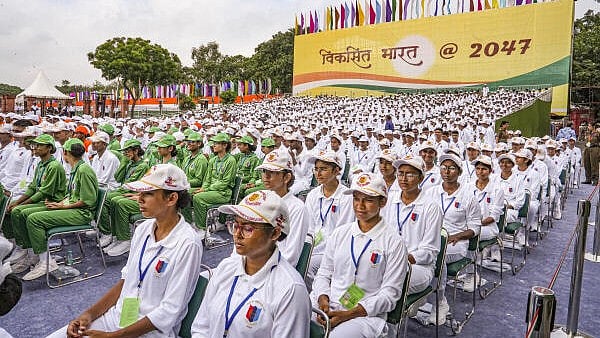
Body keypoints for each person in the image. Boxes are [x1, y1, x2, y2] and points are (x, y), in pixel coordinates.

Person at [48, 164, 203, 338]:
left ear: (171, 198)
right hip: (118, 317)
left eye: (148, 194)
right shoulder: (143, 229)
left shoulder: (188, 243)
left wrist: (113, 336)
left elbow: (169, 310)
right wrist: (88, 315)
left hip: (150, 332)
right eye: (140, 193)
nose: (139, 199)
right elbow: (126, 282)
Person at [191, 190, 311, 337]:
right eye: (235, 225)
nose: (237, 234)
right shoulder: (225, 268)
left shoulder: (290, 289)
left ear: (275, 233)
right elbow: (201, 327)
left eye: (248, 229)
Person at [312, 172, 408, 338]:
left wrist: (349, 314)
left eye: (368, 200)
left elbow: (390, 294)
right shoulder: (340, 233)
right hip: (329, 303)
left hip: (365, 315)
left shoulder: (393, 242)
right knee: (292, 318)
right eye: (356, 198)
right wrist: (323, 299)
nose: (360, 205)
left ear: (382, 202)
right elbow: (324, 273)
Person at [21, 138, 98, 281]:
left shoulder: (83, 170)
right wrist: (60, 203)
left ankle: (46, 262)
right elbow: (73, 195)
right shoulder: (77, 168)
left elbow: (88, 200)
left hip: (82, 214)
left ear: (65, 152)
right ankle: (39, 256)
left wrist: (64, 206)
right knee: (27, 214)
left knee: (34, 219)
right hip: (74, 209)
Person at [3, 134, 67, 274]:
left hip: (53, 203)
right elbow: (33, 187)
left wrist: (21, 204)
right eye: (35, 145)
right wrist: (17, 202)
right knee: (14, 210)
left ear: (49, 148)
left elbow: (43, 192)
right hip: (43, 201)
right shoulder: (41, 164)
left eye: (39, 145)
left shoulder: (54, 166)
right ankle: (29, 253)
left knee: (22, 212)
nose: (35, 148)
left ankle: (43, 258)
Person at [429, 153, 481, 325]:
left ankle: (440, 301)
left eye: (451, 168)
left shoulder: (468, 195)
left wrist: (456, 236)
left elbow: (475, 227)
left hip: (457, 244)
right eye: (443, 167)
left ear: (459, 171)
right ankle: (423, 296)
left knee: (438, 256)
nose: (447, 171)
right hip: (432, 239)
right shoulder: (431, 192)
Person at [382, 154, 442, 299]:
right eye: (400, 173)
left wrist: (400, 258)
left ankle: (380, 319)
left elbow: (430, 251)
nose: (403, 178)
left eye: (409, 174)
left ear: (421, 178)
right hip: (388, 260)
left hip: (419, 266)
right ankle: (346, 309)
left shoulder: (431, 207)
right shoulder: (390, 200)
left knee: (382, 282)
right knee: (359, 273)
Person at [304, 150, 355, 289]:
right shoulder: (313, 195)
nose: (318, 173)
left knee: (307, 267)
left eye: (324, 169)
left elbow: (342, 233)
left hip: (334, 250)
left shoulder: (346, 197)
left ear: (336, 171)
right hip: (314, 247)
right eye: (316, 169)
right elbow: (309, 227)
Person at [98, 140, 150, 252]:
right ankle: (114, 235)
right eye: (125, 152)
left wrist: (116, 191)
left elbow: (131, 184)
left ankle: (124, 238)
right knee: (106, 200)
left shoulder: (142, 166)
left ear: (136, 151)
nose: (125, 154)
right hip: (124, 190)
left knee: (113, 200)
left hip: (134, 192)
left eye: (128, 151)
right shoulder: (129, 163)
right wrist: (124, 162)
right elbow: (118, 177)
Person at [192, 133, 237, 230]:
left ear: (224, 145)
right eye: (213, 143)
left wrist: (206, 189)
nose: (213, 145)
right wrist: (204, 188)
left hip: (223, 193)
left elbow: (225, 182)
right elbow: (207, 179)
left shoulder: (231, 160)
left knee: (198, 198)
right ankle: (189, 221)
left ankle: (202, 228)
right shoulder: (213, 160)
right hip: (211, 190)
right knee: (187, 192)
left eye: (216, 143)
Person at [470, 156, 504, 262]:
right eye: (478, 168)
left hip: (488, 227)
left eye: (484, 169)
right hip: (469, 224)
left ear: (490, 171)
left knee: (467, 236)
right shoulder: (468, 187)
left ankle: (472, 271)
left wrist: (475, 224)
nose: (480, 172)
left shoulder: (497, 190)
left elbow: (494, 216)